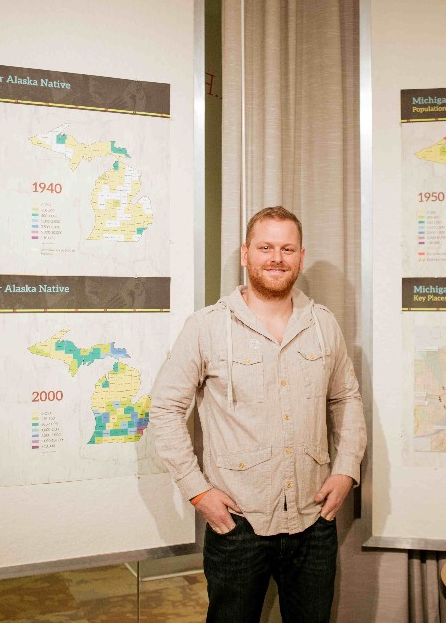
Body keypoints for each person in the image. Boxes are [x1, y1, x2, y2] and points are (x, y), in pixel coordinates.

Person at [151, 206, 366, 622]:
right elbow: (165, 409)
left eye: (287, 249)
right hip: (238, 525)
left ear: (301, 257)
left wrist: (346, 470)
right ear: (245, 254)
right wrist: (197, 491)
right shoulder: (206, 327)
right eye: (265, 247)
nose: (276, 258)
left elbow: (346, 398)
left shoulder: (323, 325)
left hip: (313, 522)